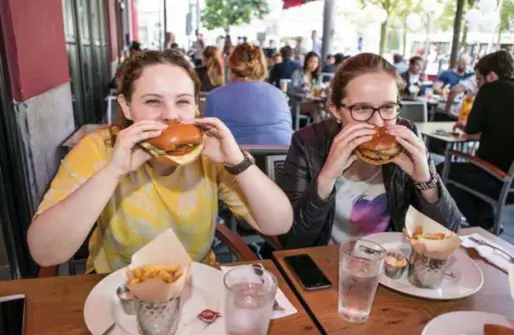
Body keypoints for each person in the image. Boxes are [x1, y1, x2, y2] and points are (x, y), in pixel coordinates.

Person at [27, 49, 293, 272]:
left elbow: (278, 224)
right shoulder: (99, 149)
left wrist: (237, 161)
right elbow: (45, 253)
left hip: (196, 283)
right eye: (153, 101)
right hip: (116, 286)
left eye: (183, 102)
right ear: (127, 106)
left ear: (196, 107)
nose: (170, 115)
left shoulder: (210, 153)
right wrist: (113, 172)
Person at [278, 53, 461, 249]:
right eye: (362, 108)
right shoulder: (308, 142)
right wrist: (326, 178)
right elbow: (291, 241)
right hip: (326, 263)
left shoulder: (407, 136)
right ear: (336, 110)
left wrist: (426, 181)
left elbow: (446, 235)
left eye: (388, 107)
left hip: (389, 264)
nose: (378, 122)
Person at [442, 50, 514, 230]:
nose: (478, 85)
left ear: (491, 76)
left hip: (494, 177)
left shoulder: (490, 89)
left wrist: (465, 125)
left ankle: (480, 225)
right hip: (510, 182)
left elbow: (472, 127)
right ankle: (486, 221)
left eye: (479, 79)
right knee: (468, 176)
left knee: (441, 171)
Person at [204, 43, 292, 146]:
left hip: (232, 159)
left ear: (231, 67)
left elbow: (206, 137)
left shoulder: (215, 97)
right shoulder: (279, 95)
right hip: (279, 157)